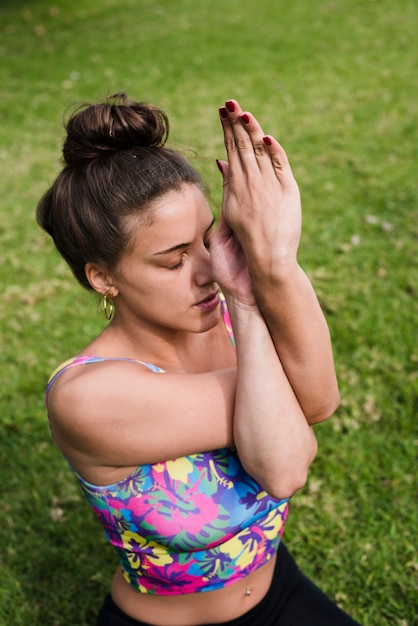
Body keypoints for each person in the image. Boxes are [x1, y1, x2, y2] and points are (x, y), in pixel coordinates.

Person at [37, 93, 360, 626]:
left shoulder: (229, 322)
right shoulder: (89, 399)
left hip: (281, 590)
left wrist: (275, 260)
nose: (209, 269)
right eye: (172, 260)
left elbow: (320, 401)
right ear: (103, 277)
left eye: (207, 238)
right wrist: (253, 303)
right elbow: (284, 466)